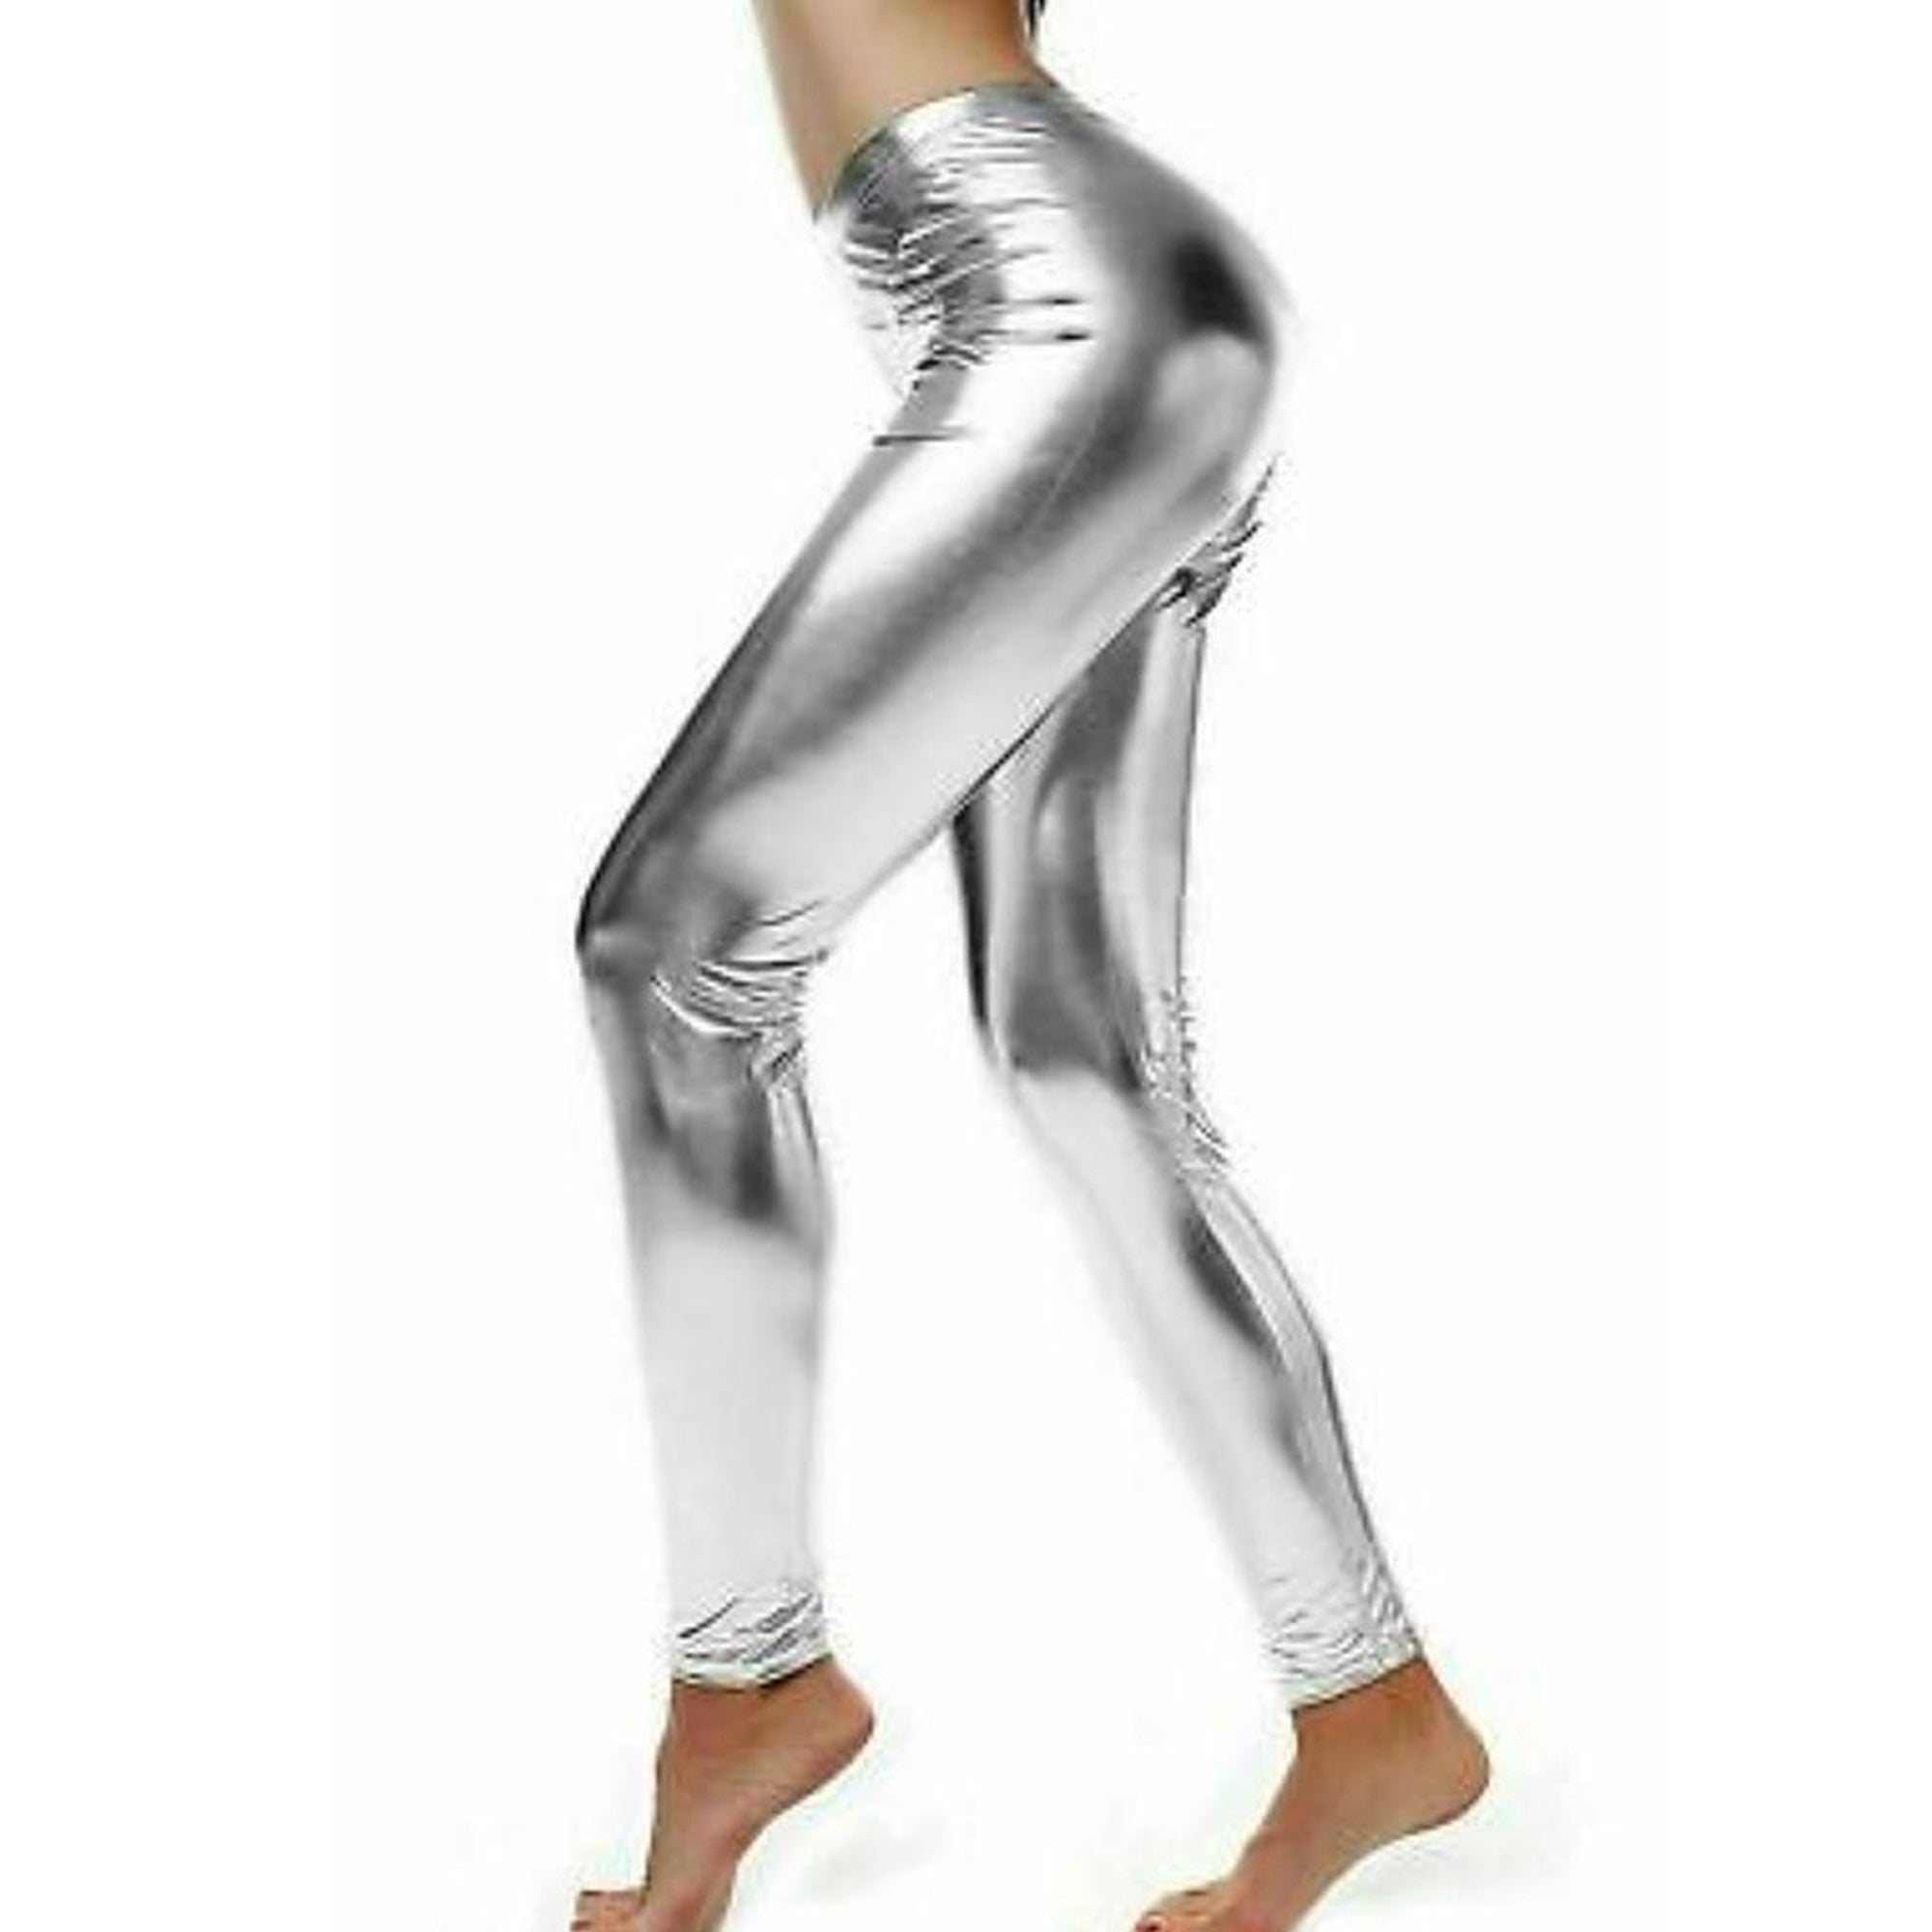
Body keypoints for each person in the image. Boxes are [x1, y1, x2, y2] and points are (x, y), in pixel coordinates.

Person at [568, 5, 1489, 1928]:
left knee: (676, 954)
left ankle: (748, 1677)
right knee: (1082, 1056)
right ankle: (1374, 1706)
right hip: (1088, 307)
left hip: (1058, 301)